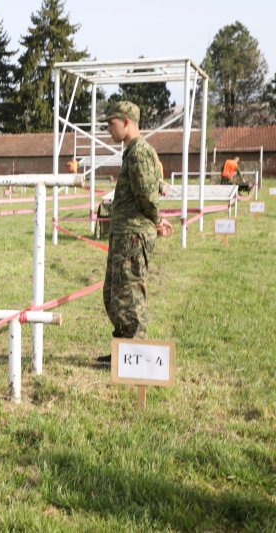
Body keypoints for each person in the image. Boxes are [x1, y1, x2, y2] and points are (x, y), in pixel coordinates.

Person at [97, 101, 173, 364]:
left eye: (111, 123)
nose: (108, 129)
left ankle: (135, 356)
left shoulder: (139, 152)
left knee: (129, 296)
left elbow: (146, 195)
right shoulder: (132, 152)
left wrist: (158, 220)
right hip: (124, 234)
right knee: (114, 294)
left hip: (133, 235)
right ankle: (122, 352)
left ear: (126, 122)